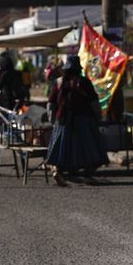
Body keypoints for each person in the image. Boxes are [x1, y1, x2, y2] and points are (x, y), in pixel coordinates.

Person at [46, 55, 108, 186]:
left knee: (61, 148)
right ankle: (87, 174)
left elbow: (51, 103)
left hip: (62, 120)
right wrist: (99, 117)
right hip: (83, 120)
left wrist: (53, 120)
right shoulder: (84, 82)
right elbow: (94, 102)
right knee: (91, 148)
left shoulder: (58, 82)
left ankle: (58, 171)